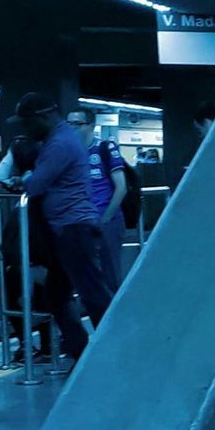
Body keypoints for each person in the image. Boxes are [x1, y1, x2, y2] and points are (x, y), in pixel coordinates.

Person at [7, 94, 114, 368]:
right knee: (59, 294)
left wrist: (23, 181)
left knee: (93, 293)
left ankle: (115, 350)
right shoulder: (61, 139)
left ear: (43, 117)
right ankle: (83, 353)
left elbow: (36, 185)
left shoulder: (60, 143)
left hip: (74, 228)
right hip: (67, 229)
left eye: (28, 122)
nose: (25, 129)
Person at [66, 107, 130, 292]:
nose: (72, 128)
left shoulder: (105, 149)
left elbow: (121, 187)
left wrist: (105, 219)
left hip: (106, 221)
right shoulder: (69, 154)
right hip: (80, 222)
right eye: (68, 124)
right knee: (86, 277)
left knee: (111, 276)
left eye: (77, 124)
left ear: (91, 126)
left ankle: (116, 315)